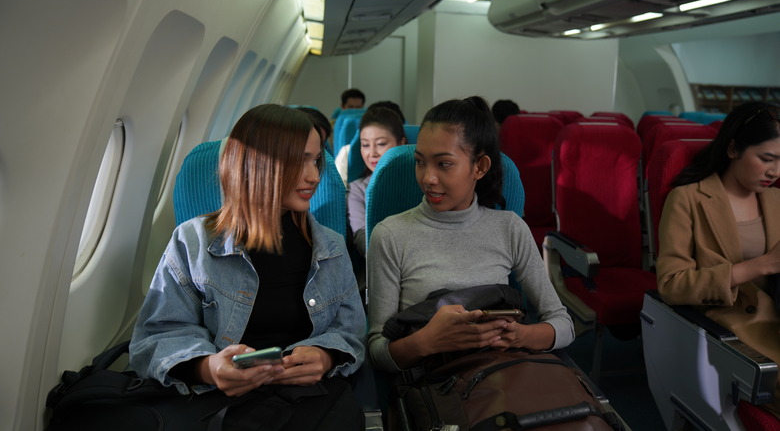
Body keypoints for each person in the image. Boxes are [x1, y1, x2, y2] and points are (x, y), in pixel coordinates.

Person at [130, 104, 366, 428]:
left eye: (315, 160)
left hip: (308, 401)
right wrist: (209, 367)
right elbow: (157, 335)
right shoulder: (192, 242)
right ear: (258, 165)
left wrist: (326, 356)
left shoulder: (331, 248)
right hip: (216, 401)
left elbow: (350, 332)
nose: (313, 176)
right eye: (298, 161)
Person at [366, 96, 574, 373]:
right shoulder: (391, 235)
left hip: (500, 377)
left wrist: (519, 336)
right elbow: (377, 350)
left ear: (480, 167)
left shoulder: (509, 228)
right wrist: (427, 342)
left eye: (444, 164)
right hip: (435, 391)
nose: (428, 178)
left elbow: (562, 323)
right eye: (420, 162)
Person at [656, 101, 780, 419]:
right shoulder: (688, 199)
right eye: (767, 159)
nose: (776, 173)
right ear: (733, 149)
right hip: (730, 330)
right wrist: (761, 265)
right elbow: (671, 284)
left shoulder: (777, 199)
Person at [347, 107, 407, 257]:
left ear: (401, 144)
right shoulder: (357, 190)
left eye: (380, 144)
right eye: (365, 145)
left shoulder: (423, 183)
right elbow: (362, 238)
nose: (372, 153)